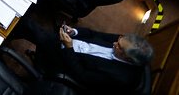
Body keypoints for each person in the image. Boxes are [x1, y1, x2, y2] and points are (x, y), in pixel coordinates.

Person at [13, 18, 153, 93]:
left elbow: (81, 75)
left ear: (128, 58)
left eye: (119, 46)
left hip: (68, 61)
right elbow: (95, 34)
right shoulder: (123, 42)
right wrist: (74, 32)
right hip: (72, 43)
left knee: (32, 28)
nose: (114, 43)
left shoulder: (119, 78)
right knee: (32, 30)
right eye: (118, 40)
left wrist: (68, 48)